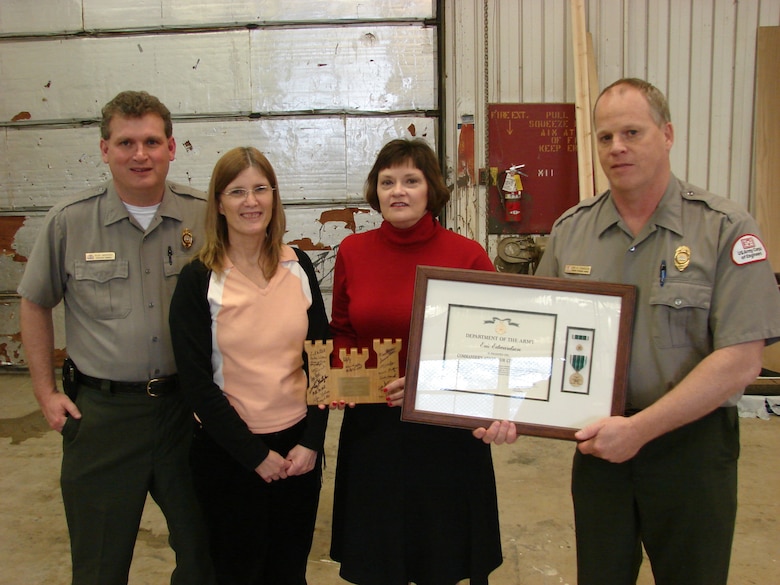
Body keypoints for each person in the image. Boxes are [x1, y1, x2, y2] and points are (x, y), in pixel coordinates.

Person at [532, 78, 780, 585]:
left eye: (632, 132)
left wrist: (640, 431)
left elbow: (741, 359)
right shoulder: (571, 232)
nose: (617, 148)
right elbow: (540, 343)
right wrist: (502, 407)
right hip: (599, 445)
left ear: (666, 134)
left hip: (692, 449)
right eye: (605, 137)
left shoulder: (724, 229)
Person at [17, 90, 215, 584]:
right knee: (99, 564)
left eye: (152, 141)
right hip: (103, 418)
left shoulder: (207, 216)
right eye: (126, 142)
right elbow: (36, 301)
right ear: (104, 150)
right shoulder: (70, 221)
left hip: (189, 413)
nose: (140, 154)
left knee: (207, 552)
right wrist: (45, 393)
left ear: (173, 147)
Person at [328, 138, 503, 585]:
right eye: (387, 181)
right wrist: (343, 379)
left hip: (445, 430)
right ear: (376, 190)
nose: (398, 191)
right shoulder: (353, 251)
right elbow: (344, 326)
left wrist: (432, 381)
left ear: (431, 190)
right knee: (379, 557)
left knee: (441, 558)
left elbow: (496, 347)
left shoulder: (466, 256)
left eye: (411, 180)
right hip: (374, 426)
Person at [168, 146, 330, 585]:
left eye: (261, 189)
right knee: (236, 571)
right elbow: (198, 384)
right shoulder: (198, 280)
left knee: (289, 570)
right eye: (237, 191)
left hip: (298, 450)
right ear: (218, 203)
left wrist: (312, 441)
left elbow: (320, 358)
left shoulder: (299, 266)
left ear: (274, 197)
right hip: (230, 453)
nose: (251, 201)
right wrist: (254, 456)